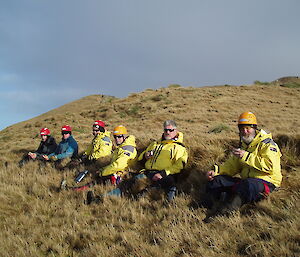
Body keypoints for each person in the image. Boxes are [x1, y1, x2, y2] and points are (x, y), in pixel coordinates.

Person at [203, 112, 282, 222]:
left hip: (266, 182)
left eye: (248, 128)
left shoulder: (268, 144)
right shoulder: (244, 146)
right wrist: (216, 172)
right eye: (242, 129)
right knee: (217, 181)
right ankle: (203, 208)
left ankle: (224, 214)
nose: (245, 132)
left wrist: (246, 156)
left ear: (254, 128)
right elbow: (232, 166)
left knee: (248, 185)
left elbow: (269, 166)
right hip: (247, 181)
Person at [86, 120, 188, 204]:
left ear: (176, 130)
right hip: (147, 172)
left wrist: (163, 173)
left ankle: (138, 202)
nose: (168, 132)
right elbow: (141, 159)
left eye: (170, 130)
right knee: (127, 184)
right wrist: (145, 156)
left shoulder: (179, 147)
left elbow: (179, 165)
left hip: (164, 175)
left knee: (143, 190)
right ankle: (100, 199)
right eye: (166, 130)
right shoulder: (155, 144)